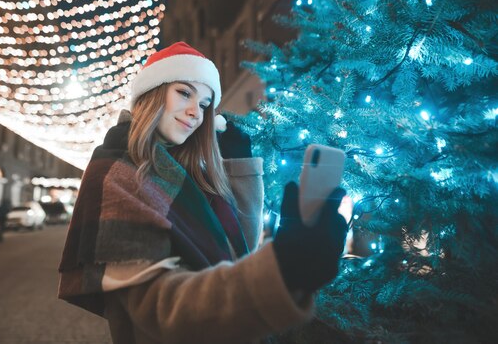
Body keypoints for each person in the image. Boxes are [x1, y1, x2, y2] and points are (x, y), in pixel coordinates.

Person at [58, 42, 348, 344]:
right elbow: (162, 309)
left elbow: (235, 254)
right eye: (184, 93)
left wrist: (240, 164)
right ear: (153, 92)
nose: (195, 112)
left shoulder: (183, 170)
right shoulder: (120, 171)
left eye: (206, 104)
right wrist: (282, 269)